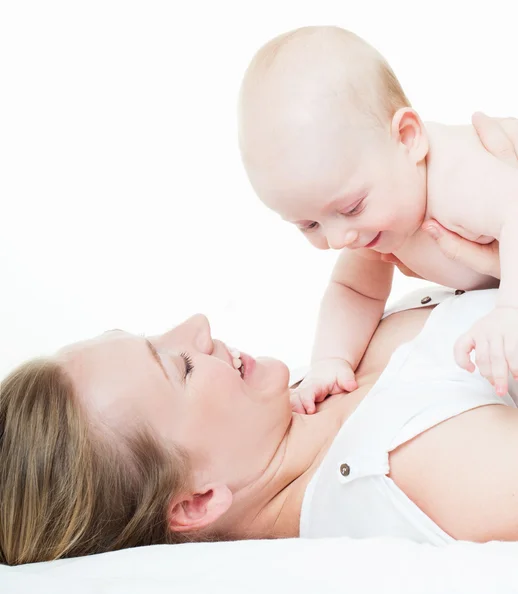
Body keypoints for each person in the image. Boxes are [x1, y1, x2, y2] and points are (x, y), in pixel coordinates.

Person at [1, 112, 518, 565]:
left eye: (153, 337)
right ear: (198, 501)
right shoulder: (408, 470)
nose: (197, 324)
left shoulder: (321, 380)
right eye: (179, 366)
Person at [238, 26, 518, 414]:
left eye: (351, 208)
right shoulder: (380, 217)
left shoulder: (453, 177)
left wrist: (510, 311)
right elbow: (355, 292)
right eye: (309, 225)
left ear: (407, 139)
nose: (337, 239)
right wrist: (331, 362)